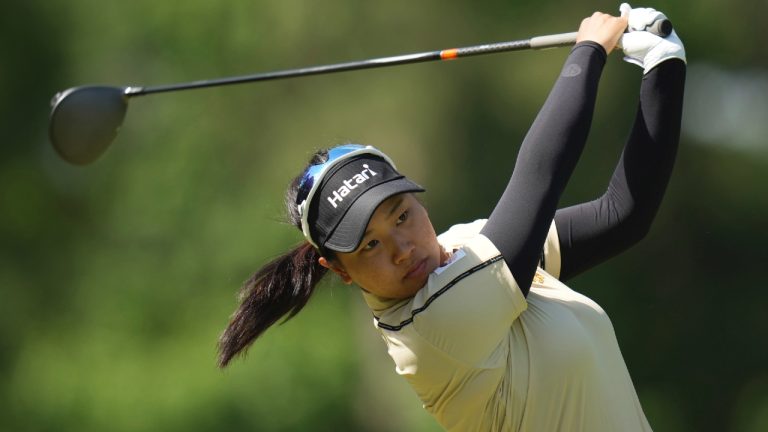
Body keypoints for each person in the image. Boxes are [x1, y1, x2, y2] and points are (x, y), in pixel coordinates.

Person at [217, 4, 686, 431]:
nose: (402, 249)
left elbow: (622, 215)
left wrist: (663, 66)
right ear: (338, 270)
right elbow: (540, 175)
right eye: (370, 245)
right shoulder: (431, 328)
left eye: (401, 216)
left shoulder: (468, 246)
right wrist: (588, 52)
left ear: (416, 199)